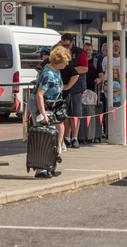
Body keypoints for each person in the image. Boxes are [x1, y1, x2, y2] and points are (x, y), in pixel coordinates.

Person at [30, 45, 70, 178]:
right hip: (42, 105)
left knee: (55, 131)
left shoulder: (56, 71)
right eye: (66, 61)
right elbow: (39, 94)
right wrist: (43, 114)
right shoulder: (48, 74)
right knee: (45, 134)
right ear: (59, 60)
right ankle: (41, 168)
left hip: (52, 105)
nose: (68, 63)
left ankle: (51, 162)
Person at [59, 34, 88, 149]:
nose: (66, 47)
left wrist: (69, 70)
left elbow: (85, 68)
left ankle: (75, 137)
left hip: (77, 87)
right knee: (64, 113)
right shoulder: (59, 51)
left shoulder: (79, 52)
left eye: (68, 45)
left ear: (72, 43)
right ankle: (66, 137)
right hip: (64, 86)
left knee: (76, 113)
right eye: (63, 44)